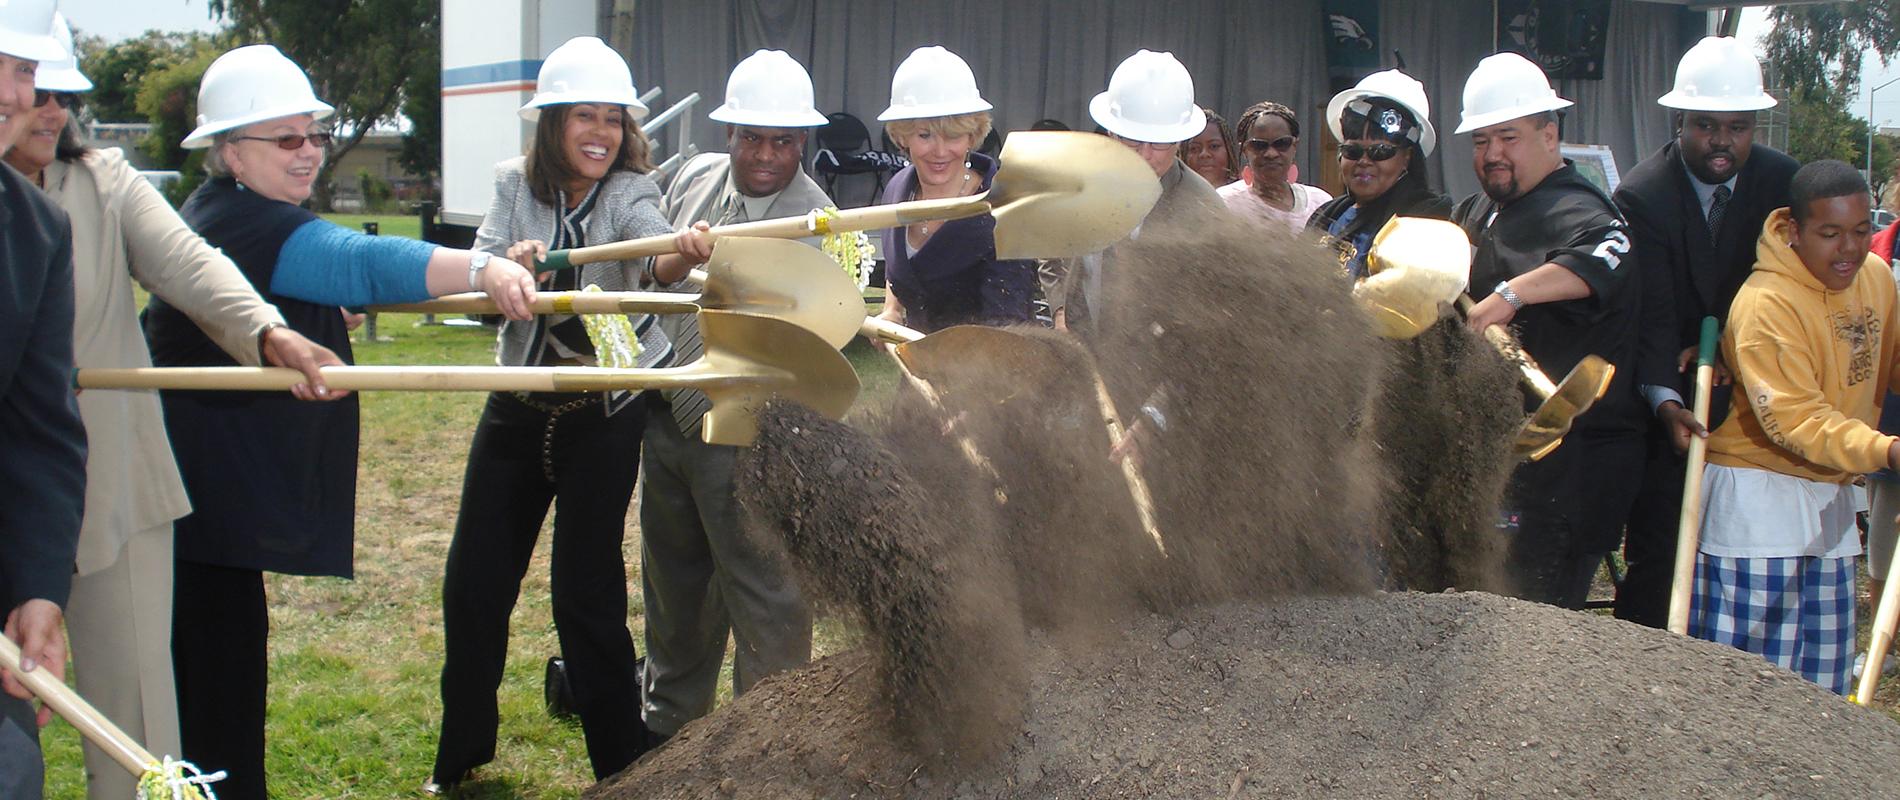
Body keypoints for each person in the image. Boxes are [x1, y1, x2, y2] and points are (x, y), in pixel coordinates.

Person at [143, 44, 539, 800]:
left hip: (203, 512)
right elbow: (357, 261)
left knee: (212, 698)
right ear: (229, 151)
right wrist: (483, 268)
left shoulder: (237, 214)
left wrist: (319, 309)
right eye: (286, 139)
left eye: (314, 136)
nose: (309, 154)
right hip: (195, 515)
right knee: (215, 708)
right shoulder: (239, 219)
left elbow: (312, 280)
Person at [2, 19, 342, 800]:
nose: (45, 110)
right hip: (15, 493)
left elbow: (190, 262)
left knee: (139, 727)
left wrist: (268, 332)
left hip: (113, 484)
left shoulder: (101, 182)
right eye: (34, 88)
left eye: (60, 94)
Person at [427, 36, 673, 793]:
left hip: (604, 407)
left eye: (612, 119)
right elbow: (476, 274)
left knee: (584, 593)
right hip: (520, 403)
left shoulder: (634, 190)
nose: (601, 132)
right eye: (584, 118)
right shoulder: (512, 186)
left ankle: (621, 766)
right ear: (552, 125)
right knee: (473, 583)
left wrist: (683, 255)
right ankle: (461, 754)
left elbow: (652, 257)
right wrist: (504, 267)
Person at [635, 48, 832, 747]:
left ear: (802, 143)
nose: (767, 155)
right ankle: (667, 737)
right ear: (729, 134)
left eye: (783, 141)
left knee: (765, 593)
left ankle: (767, 743)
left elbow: (820, 347)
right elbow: (643, 266)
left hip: (751, 436)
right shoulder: (691, 178)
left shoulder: (818, 222)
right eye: (754, 137)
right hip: (667, 417)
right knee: (674, 587)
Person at [1609, 36, 1798, 629]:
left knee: (1752, 558)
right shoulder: (1644, 195)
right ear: (1680, 121)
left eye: (1739, 127)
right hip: (1673, 399)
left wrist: (1739, 352)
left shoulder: (1784, 184)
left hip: (1762, 392)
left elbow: (1791, 285)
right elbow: (1654, 316)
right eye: (1706, 126)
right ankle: (1639, 675)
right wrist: (1667, 401)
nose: (1722, 142)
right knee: (1663, 556)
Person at [1451, 52, 1643, 610]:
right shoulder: (1482, 209)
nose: (1493, 154)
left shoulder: (1578, 207)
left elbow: (1609, 254)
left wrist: (1512, 294)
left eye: (1508, 137)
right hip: (1497, 463)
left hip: (1565, 477)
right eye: (1481, 141)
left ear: (1550, 134)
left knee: (1532, 636)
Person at [1691, 160, 1887, 695]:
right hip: (1758, 503)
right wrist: (1886, 453)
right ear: (1795, 230)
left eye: (1861, 230)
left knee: (1822, 690)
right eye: (1830, 234)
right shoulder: (1765, 304)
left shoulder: (1874, 277)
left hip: (1832, 498)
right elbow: (1797, 420)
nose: (1849, 249)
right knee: (1751, 690)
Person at [0, 3, 88, 797]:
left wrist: (36, 587)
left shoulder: (35, 230)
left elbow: (39, 428)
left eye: (23, 70)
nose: (10, 93)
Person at [1055, 48, 1224, 337]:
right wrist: (1060, 310)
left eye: (1159, 143)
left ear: (1179, 141)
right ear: (1111, 133)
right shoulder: (1080, 182)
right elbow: (1051, 251)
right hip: (1083, 356)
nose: (1145, 155)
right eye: (1132, 140)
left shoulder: (1203, 210)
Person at [873, 46, 1033, 334]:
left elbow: (1006, 328)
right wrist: (891, 311)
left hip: (987, 371)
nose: (940, 151)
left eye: (954, 135)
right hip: (916, 370)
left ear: (973, 135)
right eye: (925, 135)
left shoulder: (1006, 209)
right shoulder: (896, 190)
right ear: (901, 136)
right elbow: (900, 268)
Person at [1306, 70, 1451, 276]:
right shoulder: (1326, 215)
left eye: (1380, 152)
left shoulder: (1426, 222)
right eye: (1352, 151)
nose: (1364, 162)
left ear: (1407, 157)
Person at [1219, 101, 1332, 234]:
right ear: (1244, 150)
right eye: (1259, 145)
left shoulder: (1321, 204)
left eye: (1282, 144)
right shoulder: (1225, 203)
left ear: (1294, 146)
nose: (1271, 154)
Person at [1181, 109, 1237, 188]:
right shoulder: (1169, 197)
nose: (1204, 154)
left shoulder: (1246, 197)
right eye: (1194, 148)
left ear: (1228, 150)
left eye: (1214, 146)